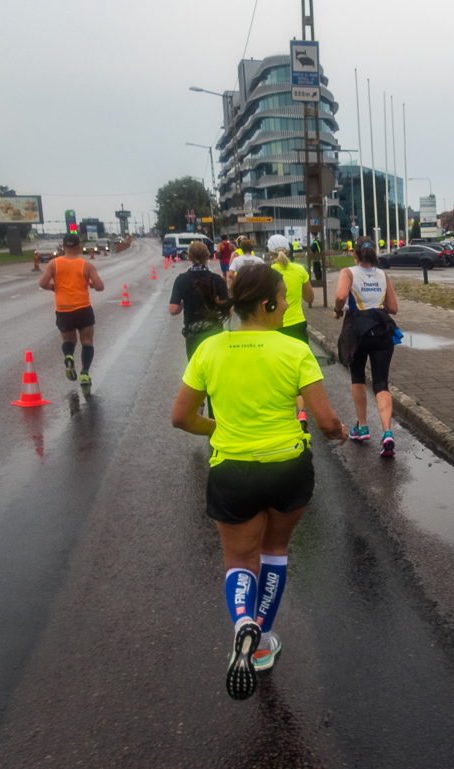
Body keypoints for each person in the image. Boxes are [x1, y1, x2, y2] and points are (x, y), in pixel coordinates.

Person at [171, 263, 348, 701]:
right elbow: (326, 422)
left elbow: (180, 417)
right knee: (274, 550)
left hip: (233, 470)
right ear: (268, 303)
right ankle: (264, 640)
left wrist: (219, 430)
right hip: (287, 467)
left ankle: (242, 623)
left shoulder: (209, 349)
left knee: (239, 558)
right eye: (283, 298)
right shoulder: (294, 350)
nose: (287, 304)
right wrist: (341, 434)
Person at [333, 237, 399, 457]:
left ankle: (362, 427)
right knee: (381, 383)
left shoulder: (348, 272)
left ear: (354, 254)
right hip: (382, 330)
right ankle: (387, 432)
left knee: (358, 377)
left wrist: (337, 310)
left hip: (357, 331)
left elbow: (341, 295)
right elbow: (393, 307)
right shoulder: (383, 274)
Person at [39, 231, 104, 395]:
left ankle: (69, 357)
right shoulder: (86, 265)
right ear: (78, 246)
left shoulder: (54, 264)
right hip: (83, 308)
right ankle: (84, 373)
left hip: (63, 309)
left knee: (68, 340)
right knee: (87, 341)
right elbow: (100, 286)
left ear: (63, 247)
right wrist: (89, 283)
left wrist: (54, 288)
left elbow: (42, 283)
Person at [267, 234, 315, 430]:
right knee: (299, 372)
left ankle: (280, 414)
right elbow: (310, 298)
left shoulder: (267, 273)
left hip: (274, 327)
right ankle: (301, 412)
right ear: (288, 250)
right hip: (297, 326)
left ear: (269, 253)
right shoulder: (300, 270)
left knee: (277, 372)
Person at [169, 240, 229, 359]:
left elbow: (173, 310)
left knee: (195, 373)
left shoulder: (181, 280)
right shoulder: (217, 280)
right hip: (214, 333)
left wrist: (183, 303)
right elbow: (229, 310)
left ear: (189, 257)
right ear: (207, 256)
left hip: (193, 334)